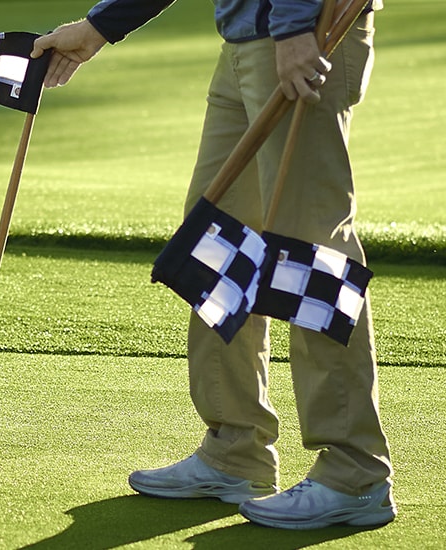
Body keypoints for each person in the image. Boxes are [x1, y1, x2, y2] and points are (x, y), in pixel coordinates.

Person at [30, 0, 396, 530]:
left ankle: (354, 473)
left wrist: (293, 28)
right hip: (246, 41)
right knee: (217, 241)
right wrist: (99, 27)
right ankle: (236, 451)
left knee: (310, 255)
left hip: (308, 31)